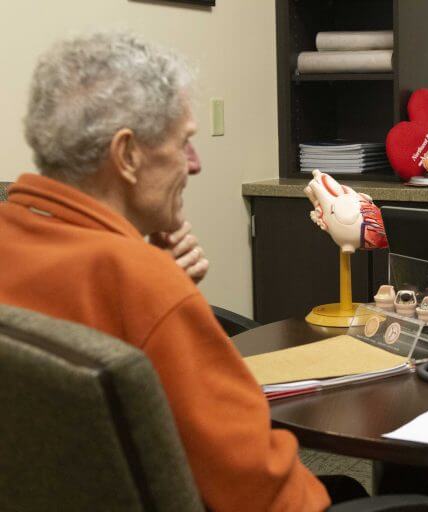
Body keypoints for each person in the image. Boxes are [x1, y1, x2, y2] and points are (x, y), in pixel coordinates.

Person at [0, 31, 332, 511]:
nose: (194, 165)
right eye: (185, 143)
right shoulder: (140, 283)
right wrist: (165, 296)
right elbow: (263, 491)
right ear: (127, 155)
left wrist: (157, 289)